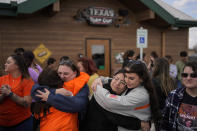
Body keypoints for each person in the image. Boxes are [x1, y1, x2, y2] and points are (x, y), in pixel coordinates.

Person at [92, 60, 160, 131]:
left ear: (142, 79)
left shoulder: (140, 95)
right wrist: (100, 79)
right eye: (126, 77)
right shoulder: (135, 85)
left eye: (131, 78)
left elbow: (108, 102)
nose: (126, 81)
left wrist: (97, 87)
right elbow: (111, 80)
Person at [31, 59, 90, 131]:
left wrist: (50, 98)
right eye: (59, 73)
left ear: (74, 73)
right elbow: (35, 91)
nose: (62, 76)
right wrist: (55, 91)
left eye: (66, 74)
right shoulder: (57, 80)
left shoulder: (81, 84)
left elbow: (78, 105)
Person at [0, 54, 34, 130]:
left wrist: (10, 94)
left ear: (17, 66)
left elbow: (26, 103)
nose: (5, 64)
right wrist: (3, 94)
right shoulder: (1, 79)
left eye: (8, 62)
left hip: (21, 123)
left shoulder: (27, 81)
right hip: (2, 123)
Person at [161, 61, 197, 131]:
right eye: (185, 75)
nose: (188, 78)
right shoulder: (174, 95)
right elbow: (164, 121)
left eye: (193, 75)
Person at [152, 58, 176, 130]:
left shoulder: (153, 81)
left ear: (157, 67)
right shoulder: (172, 80)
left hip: (157, 115)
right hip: (169, 114)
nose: (152, 67)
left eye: (153, 65)